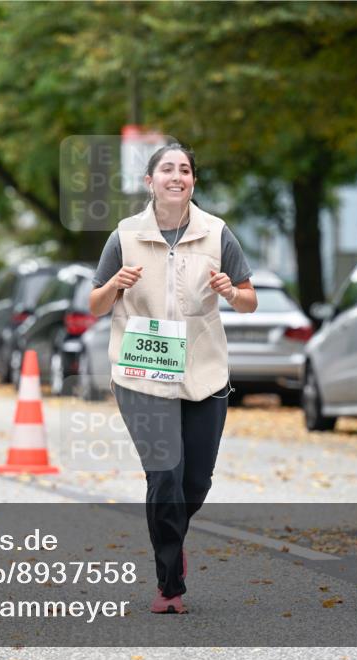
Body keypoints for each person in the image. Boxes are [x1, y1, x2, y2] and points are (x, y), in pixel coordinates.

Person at [89, 144, 257, 614]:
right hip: (142, 374)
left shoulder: (216, 233)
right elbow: (95, 304)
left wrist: (231, 291)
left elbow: (249, 299)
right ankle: (169, 585)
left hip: (203, 373)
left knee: (195, 482)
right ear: (150, 181)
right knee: (165, 476)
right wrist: (115, 284)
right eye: (167, 169)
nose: (176, 176)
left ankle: (174, 535)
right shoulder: (125, 235)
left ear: (193, 182)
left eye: (185, 170)